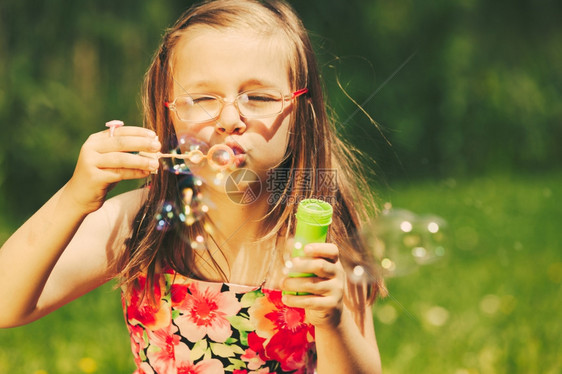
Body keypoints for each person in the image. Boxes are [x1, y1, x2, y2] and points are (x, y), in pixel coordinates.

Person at [0, 0, 384, 372]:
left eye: (260, 97)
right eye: (201, 98)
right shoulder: (141, 222)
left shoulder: (317, 237)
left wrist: (333, 321)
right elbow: (6, 304)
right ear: (169, 111)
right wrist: (74, 198)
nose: (230, 118)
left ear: (302, 110)